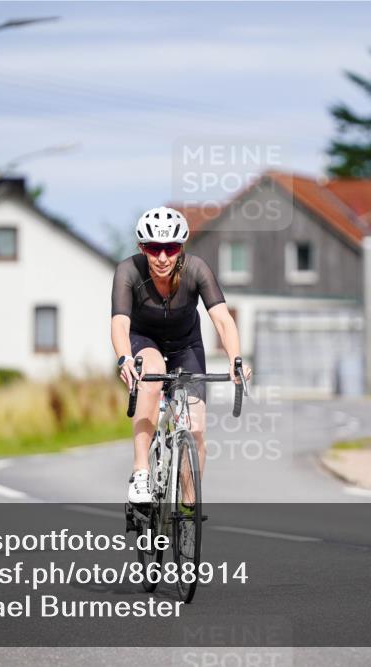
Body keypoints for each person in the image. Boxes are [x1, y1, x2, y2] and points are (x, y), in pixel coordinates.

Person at [111, 206, 251, 504]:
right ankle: (141, 473)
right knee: (150, 374)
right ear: (142, 248)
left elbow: (223, 319)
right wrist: (124, 358)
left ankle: (188, 507)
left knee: (197, 428)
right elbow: (120, 323)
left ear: (181, 248)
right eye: (154, 249)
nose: (163, 258)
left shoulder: (197, 270)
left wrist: (235, 360)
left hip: (186, 346)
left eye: (171, 248)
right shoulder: (128, 271)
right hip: (143, 340)